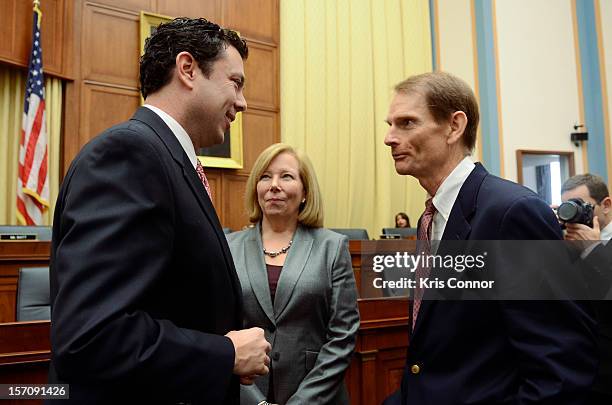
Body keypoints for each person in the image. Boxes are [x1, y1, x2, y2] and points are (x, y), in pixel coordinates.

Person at [48, 18, 271, 404]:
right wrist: (226, 354)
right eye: (235, 82)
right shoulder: (130, 155)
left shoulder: (165, 158)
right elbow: (92, 336)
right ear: (187, 69)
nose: (243, 102)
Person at [382, 72, 597, 404]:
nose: (389, 137)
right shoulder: (434, 216)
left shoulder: (513, 213)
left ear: (454, 126)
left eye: (406, 123)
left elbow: (561, 369)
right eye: (390, 124)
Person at [227, 143, 360, 405]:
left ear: (305, 192)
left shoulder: (331, 247)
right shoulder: (229, 247)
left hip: (317, 396)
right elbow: (220, 329)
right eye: (265, 177)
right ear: (257, 188)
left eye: (286, 176)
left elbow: (343, 335)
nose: (274, 185)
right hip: (246, 394)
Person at [561, 174, 612, 404]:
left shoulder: (595, 247)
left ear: (606, 205)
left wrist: (593, 250)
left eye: (581, 206)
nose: (574, 214)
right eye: (568, 206)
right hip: (581, 372)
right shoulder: (571, 243)